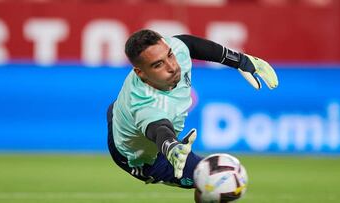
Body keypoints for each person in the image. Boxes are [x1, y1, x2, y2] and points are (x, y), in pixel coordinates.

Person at [106, 29, 278, 200]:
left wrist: (239, 60)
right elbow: (159, 129)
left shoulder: (174, 50)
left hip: (118, 113)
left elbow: (187, 44)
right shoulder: (145, 105)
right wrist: (171, 147)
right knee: (221, 182)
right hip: (141, 158)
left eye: (170, 55)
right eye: (158, 65)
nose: (172, 66)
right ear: (140, 73)